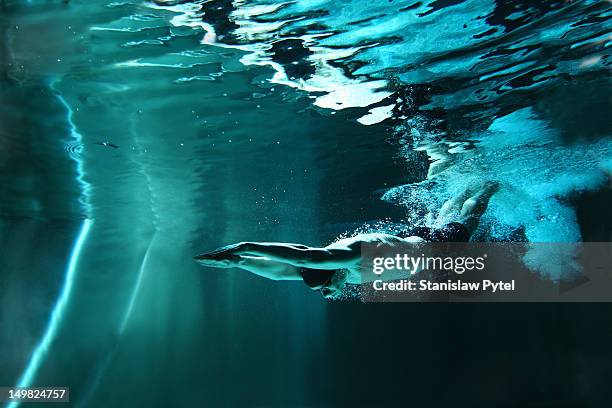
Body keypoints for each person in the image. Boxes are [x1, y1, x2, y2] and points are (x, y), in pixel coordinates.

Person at [195, 182, 499, 298]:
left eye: (326, 287)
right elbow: (280, 273)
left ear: (333, 271)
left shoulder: (349, 257)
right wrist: (238, 264)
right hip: (415, 243)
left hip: (433, 249)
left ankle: (486, 186)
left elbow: (304, 257)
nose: (327, 294)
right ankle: (461, 185)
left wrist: (243, 247)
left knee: (467, 220)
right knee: (441, 221)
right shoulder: (337, 272)